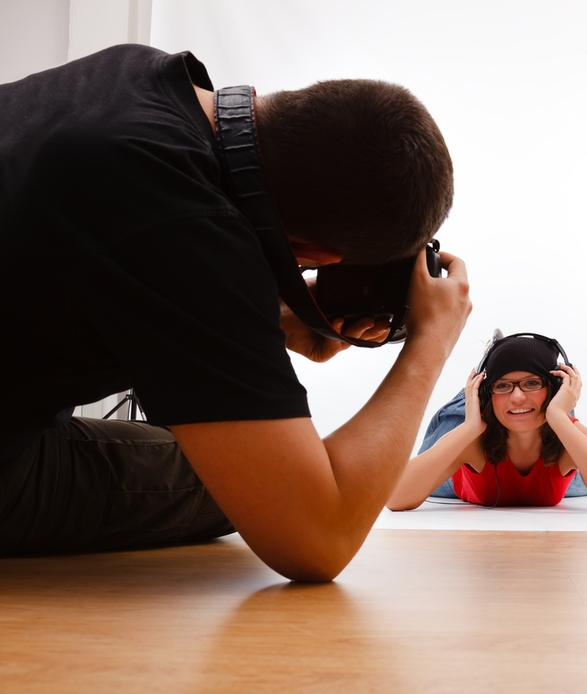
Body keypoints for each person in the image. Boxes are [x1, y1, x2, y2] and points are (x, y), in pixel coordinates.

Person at [0, 44, 471, 580]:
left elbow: (104, 258)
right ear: (321, 258)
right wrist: (432, 340)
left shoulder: (137, 76)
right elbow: (320, 536)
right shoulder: (188, 229)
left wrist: (262, 318)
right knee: (235, 484)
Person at [387, 334, 587, 513]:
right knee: (453, 426)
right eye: (502, 385)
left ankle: (528, 383)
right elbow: (395, 499)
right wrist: (470, 427)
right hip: (457, 481)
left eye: (531, 383)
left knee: (583, 486)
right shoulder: (470, 440)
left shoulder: (571, 436)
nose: (517, 396)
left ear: (555, 388)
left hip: (551, 453)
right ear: (488, 394)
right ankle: (475, 389)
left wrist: (559, 416)